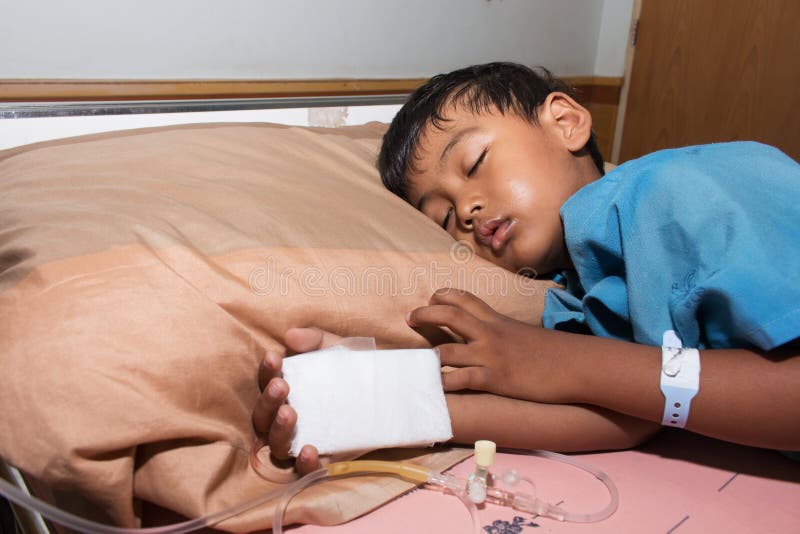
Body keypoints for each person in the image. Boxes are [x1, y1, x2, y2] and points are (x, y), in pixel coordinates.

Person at [253, 62, 800, 475]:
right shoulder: (576, 289)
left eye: (475, 162)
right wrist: (376, 402)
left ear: (565, 122)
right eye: (445, 219)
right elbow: (633, 416)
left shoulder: (683, 189)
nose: (467, 210)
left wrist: (560, 361)